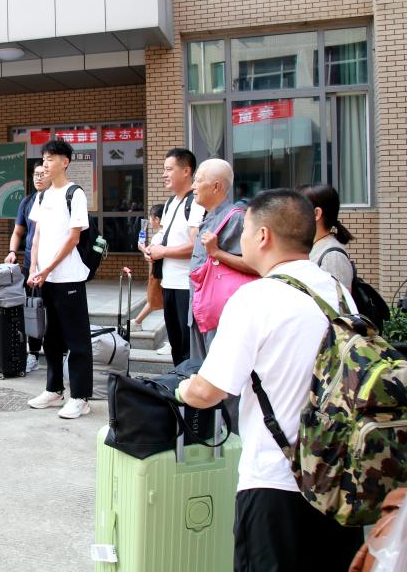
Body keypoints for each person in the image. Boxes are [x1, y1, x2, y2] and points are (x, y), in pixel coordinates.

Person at [176, 188, 363, 571]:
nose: (242, 239)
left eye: (245, 230)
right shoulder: (340, 293)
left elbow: (209, 391)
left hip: (275, 483)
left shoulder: (256, 298)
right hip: (338, 482)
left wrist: (183, 389)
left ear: (263, 236)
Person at [25, 139, 93, 420]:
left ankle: (80, 397)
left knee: (76, 340)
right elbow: (37, 236)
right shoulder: (42, 196)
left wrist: (48, 268)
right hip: (45, 279)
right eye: (43, 159)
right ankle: (54, 390)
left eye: (51, 159)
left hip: (69, 279)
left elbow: (73, 238)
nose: (45, 164)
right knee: (51, 339)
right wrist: (33, 268)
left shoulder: (75, 194)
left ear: (65, 162)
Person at [188, 159, 256, 362]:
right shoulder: (209, 216)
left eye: (198, 180)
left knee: (218, 370)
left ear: (216, 186)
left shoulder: (235, 218)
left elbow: (254, 265)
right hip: (202, 309)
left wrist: (217, 253)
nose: (193, 186)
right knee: (201, 368)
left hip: (221, 315)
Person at [144, 148, 204, 364]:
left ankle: (188, 384)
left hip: (186, 286)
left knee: (188, 347)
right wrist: (153, 248)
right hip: (168, 283)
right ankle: (178, 382)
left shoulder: (195, 203)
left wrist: (163, 251)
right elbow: (165, 235)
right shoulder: (170, 203)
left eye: (169, 169)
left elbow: (197, 246)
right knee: (176, 345)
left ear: (186, 171)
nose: (164, 174)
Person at [6, 164, 49, 372]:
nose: (38, 178)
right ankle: (33, 354)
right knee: (32, 309)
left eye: (43, 174)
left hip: (53, 267)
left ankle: (59, 353)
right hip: (30, 268)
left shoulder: (57, 200)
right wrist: (12, 251)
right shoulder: (28, 201)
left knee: (53, 311)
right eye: (36, 174)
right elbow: (17, 232)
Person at [298, 184, 355, 290]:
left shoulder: (333, 256)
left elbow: (340, 299)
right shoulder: (315, 246)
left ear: (316, 213)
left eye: (298, 208)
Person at [132, 203, 164, 332]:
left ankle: (137, 322)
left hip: (157, 274)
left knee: (152, 299)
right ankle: (137, 322)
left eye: (151, 218)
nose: (150, 221)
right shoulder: (167, 233)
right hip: (163, 274)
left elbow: (151, 254)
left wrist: (142, 248)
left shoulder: (158, 236)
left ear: (156, 219)